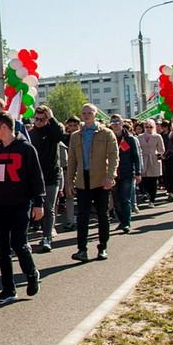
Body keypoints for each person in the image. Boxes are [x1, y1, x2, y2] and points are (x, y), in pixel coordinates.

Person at [0, 112, 44, 302]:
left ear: (4, 127)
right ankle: (8, 289)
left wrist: (39, 203)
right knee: (2, 249)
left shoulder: (26, 149)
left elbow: (36, 177)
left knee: (18, 243)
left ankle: (31, 273)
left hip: (20, 204)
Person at [65, 103, 119, 262]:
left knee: (102, 215)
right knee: (82, 216)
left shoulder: (106, 133)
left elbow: (114, 156)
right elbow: (72, 160)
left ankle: (103, 247)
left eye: (89, 113)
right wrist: (69, 181)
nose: (86, 115)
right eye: (84, 113)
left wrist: (110, 176)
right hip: (83, 181)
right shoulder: (76, 136)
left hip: (101, 180)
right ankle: (82, 249)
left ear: (96, 114)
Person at [28, 105, 66, 252]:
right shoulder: (30, 134)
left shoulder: (52, 132)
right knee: (32, 207)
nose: (38, 122)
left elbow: (60, 136)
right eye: (36, 119)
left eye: (42, 119)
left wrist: (51, 118)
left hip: (51, 177)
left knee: (48, 207)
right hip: (34, 177)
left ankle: (47, 237)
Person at [109, 117, 142, 233]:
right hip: (113, 173)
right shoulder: (108, 137)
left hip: (127, 172)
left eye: (118, 122)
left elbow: (136, 156)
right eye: (113, 122)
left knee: (125, 198)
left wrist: (138, 172)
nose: (115, 124)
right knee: (116, 200)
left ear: (122, 123)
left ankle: (126, 223)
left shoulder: (129, 138)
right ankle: (122, 221)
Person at [138, 119, 165, 207]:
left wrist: (158, 154)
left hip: (154, 160)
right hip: (143, 159)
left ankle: (152, 200)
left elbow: (162, 149)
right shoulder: (139, 137)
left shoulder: (157, 136)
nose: (149, 128)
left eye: (151, 127)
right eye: (147, 127)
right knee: (144, 180)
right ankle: (146, 194)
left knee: (153, 181)